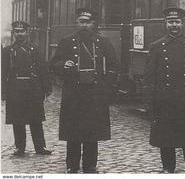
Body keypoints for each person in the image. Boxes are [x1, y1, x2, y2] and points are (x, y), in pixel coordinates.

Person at [50, 9, 119, 173]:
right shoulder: (67, 42)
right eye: (81, 21)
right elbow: (53, 64)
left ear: (93, 23)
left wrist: (106, 88)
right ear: (76, 22)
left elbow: (113, 66)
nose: (84, 25)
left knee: (92, 132)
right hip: (74, 94)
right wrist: (63, 65)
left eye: (87, 21)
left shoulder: (103, 42)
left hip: (95, 94)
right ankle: (71, 165)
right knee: (73, 132)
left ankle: (90, 165)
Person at [143, 7, 185, 173]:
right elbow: (149, 77)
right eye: (170, 22)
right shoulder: (156, 46)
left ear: (182, 23)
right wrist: (149, 101)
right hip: (165, 103)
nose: (174, 25)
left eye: (177, 22)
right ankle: (168, 171)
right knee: (166, 143)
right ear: (165, 23)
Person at [1, 21, 52, 156]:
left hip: (33, 89)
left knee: (36, 119)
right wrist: (3, 92)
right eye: (17, 31)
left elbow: (43, 69)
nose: (19, 34)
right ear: (14, 33)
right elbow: (3, 73)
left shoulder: (34, 49)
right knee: (18, 120)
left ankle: (40, 147)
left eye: (22, 31)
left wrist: (47, 88)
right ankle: (20, 147)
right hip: (15, 89)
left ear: (27, 32)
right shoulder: (7, 51)